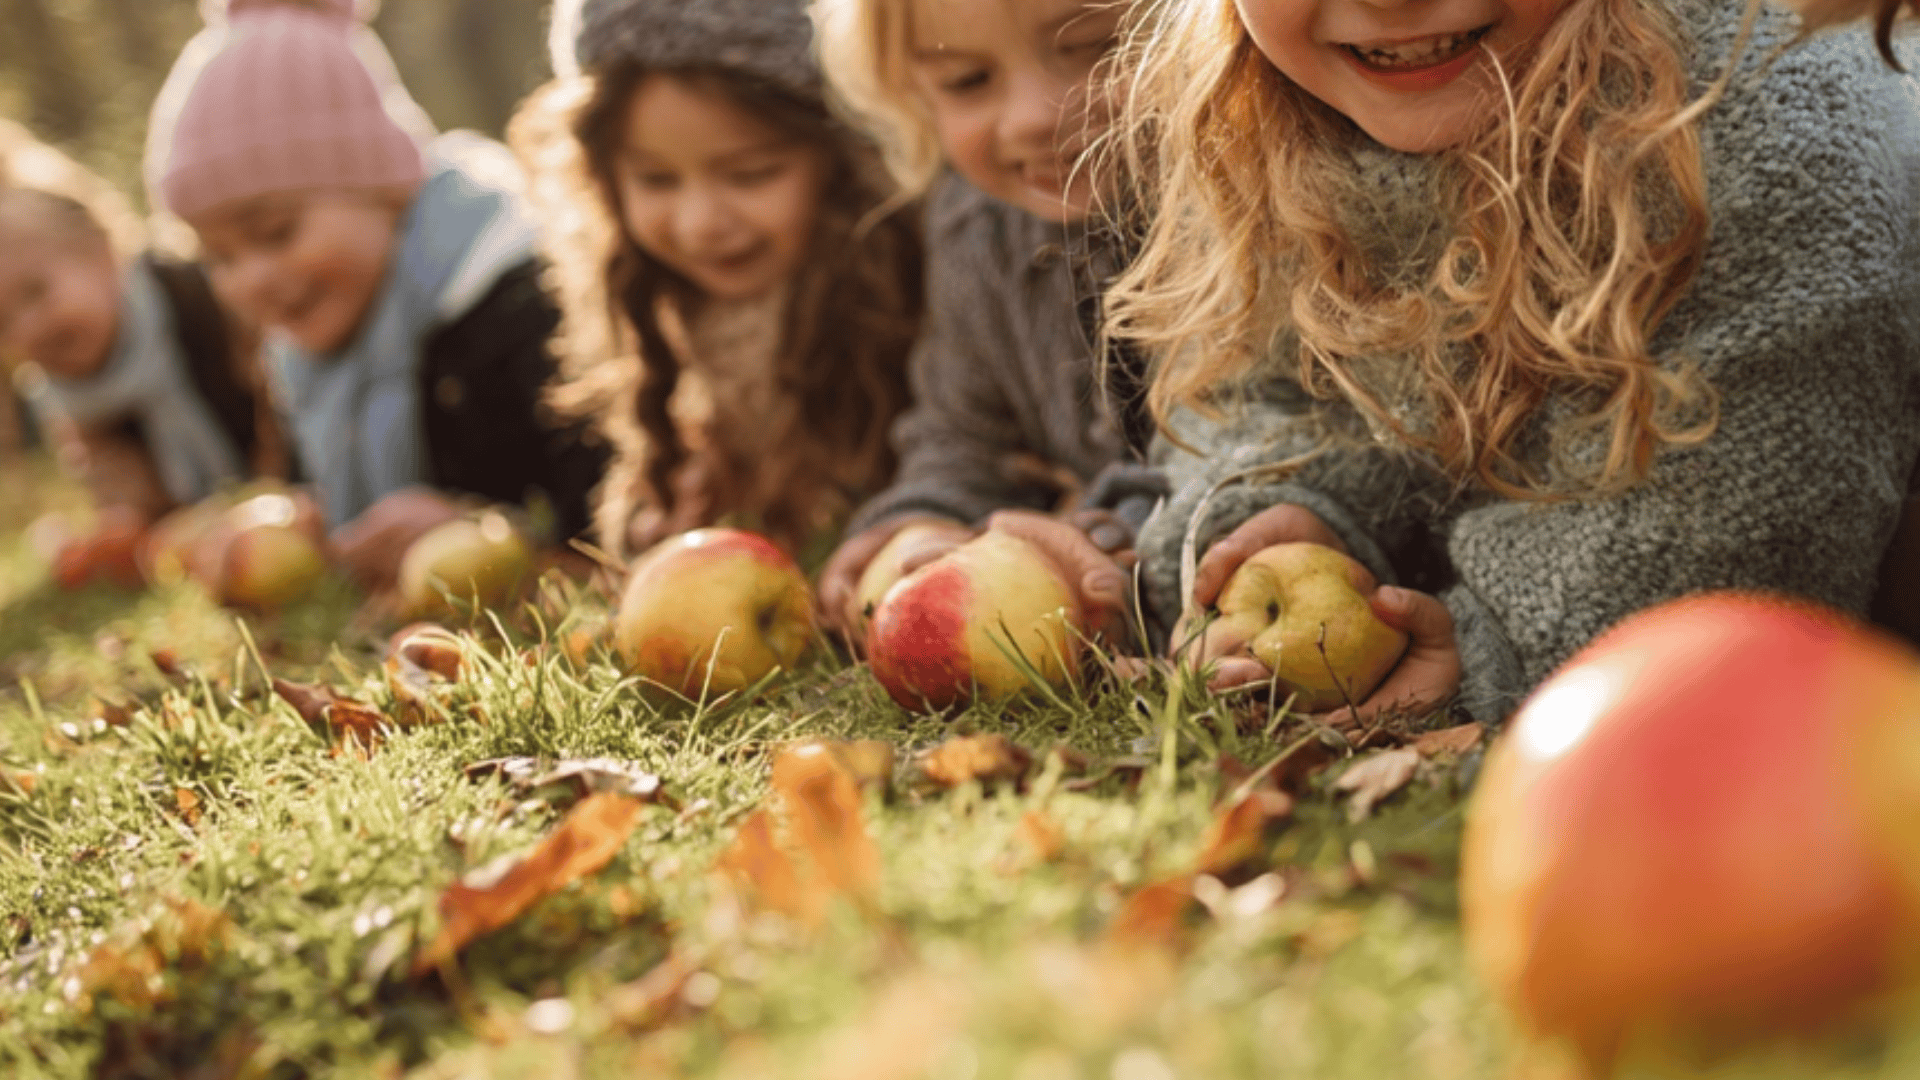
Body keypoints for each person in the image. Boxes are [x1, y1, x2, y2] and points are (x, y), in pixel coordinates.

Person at [1103, 0, 1920, 723]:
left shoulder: (1758, 112)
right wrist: (1305, 505)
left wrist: (1494, 654)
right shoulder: (1268, 112)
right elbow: (1268, 384)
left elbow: (1748, 507)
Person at [153, 1, 608, 588]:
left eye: (275, 233)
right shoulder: (304, 358)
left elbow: (604, 523)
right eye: (217, 258)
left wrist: (491, 538)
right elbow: (311, 486)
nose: (250, 280)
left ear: (385, 191)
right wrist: (307, 525)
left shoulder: (521, 307)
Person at [510, 0, 922, 563]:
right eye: (655, 179)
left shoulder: (910, 292)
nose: (699, 223)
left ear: (845, 150)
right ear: (603, 177)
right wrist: (658, 519)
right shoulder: (656, 304)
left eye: (751, 175)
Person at [809, 0, 1157, 642]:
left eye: (1099, 46)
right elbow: (963, 430)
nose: (1033, 116)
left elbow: (1249, 448)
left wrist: (1111, 550)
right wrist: (923, 520)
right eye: (967, 81)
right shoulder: (977, 227)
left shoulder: (1244, 204)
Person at [0, 119, 284, 530]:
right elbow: (131, 501)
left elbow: (286, 403)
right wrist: (131, 507)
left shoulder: (201, 293)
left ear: (99, 251)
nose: (28, 329)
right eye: (2, 323)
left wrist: (273, 489)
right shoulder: (65, 399)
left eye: (36, 293)